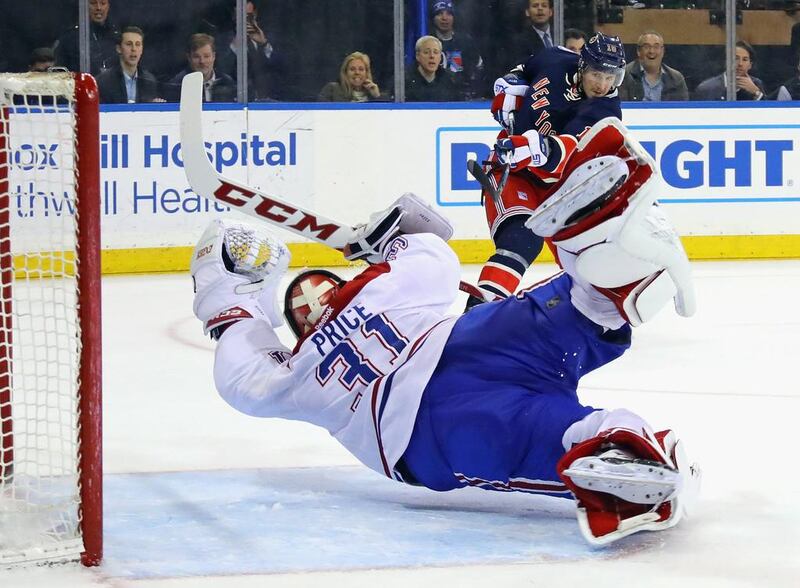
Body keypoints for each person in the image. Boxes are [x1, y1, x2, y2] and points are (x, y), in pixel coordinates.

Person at [189, 165, 700, 546]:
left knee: (535, 432)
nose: (313, 305)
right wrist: (388, 236)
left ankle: (617, 457)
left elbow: (240, 379)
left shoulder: (298, 378)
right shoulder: (382, 289)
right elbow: (432, 248)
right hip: (458, 362)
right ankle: (610, 272)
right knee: (566, 322)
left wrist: (232, 299)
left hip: (420, 427)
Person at [465, 32, 625, 308]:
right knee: (521, 242)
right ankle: (475, 318)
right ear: (582, 66)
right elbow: (522, 72)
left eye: (610, 77)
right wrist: (508, 88)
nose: (602, 84)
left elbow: (564, 151)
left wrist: (529, 148)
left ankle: (596, 316)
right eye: (597, 74)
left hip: (561, 194)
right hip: (515, 176)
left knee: (589, 263)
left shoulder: (606, 112)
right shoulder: (554, 57)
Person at [214, 0, 288, 101]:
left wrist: (264, 44)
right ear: (233, 16)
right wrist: (234, 46)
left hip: (270, 100)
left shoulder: (270, 36)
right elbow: (221, 70)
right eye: (240, 16)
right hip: (238, 101)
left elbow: (284, 67)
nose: (244, 21)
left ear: (255, 14)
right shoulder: (222, 40)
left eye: (248, 16)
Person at [430, 0, 486, 100]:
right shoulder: (427, 43)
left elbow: (477, 70)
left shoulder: (466, 42)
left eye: (449, 14)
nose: (444, 18)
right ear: (433, 18)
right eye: (439, 13)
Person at [97, 26, 164, 104]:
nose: (134, 49)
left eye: (138, 44)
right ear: (119, 48)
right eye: (129, 44)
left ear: (142, 50)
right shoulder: (104, 82)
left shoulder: (150, 81)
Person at [618, 31, 689, 102]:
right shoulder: (623, 76)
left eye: (656, 47)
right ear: (638, 51)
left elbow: (684, 110)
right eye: (646, 47)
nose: (652, 51)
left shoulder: (676, 78)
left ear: (663, 51)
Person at [54, 0, 119, 74]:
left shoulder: (116, 37)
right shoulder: (70, 38)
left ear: (108, 6)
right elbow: (60, 71)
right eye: (93, 3)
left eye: (103, 3)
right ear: (84, 6)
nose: (98, 8)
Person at [167, 34, 236, 103]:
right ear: (189, 57)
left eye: (206, 56)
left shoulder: (227, 82)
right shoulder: (177, 84)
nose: (202, 61)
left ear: (214, 56)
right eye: (196, 57)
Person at [693, 40, 766, 101]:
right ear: (726, 61)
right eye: (736, 58)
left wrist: (756, 92)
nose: (740, 64)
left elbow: (768, 113)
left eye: (745, 59)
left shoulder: (756, 85)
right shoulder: (707, 89)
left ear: (750, 65)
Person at [405, 36, 459, 101]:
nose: (432, 56)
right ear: (417, 56)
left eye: (436, 52)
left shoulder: (450, 81)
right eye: (426, 52)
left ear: (440, 57)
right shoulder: (404, 81)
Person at [506, 0, 554, 70]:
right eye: (535, 6)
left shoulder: (561, 34)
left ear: (550, 12)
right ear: (527, 12)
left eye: (544, 5)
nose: (540, 9)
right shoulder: (520, 42)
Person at [318, 52, 383, 102]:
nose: (357, 72)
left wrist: (377, 96)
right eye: (352, 69)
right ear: (345, 72)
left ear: (367, 73)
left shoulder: (373, 94)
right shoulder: (332, 90)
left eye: (361, 69)